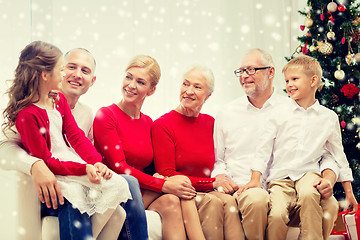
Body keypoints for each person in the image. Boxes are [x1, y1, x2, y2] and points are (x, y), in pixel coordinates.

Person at [0, 46, 149, 240]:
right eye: (68, 67)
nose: (75, 75)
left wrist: (96, 163)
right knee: (78, 195)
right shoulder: (28, 113)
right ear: (49, 75)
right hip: (56, 179)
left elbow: (78, 138)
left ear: (92, 80)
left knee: (125, 188)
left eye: (85, 70)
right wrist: (35, 165)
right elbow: (7, 147)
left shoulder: (79, 110)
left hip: (75, 170)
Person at [211, 48, 340, 240]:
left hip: (288, 188)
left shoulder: (293, 107)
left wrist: (329, 178)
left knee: (330, 205)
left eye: (251, 70)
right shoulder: (227, 113)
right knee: (257, 199)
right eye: (241, 71)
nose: (244, 76)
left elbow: (324, 152)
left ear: (271, 72)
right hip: (246, 188)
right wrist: (220, 175)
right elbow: (218, 159)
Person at [248, 55, 358, 240]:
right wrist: (255, 179)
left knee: (309, 194)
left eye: (295, 79)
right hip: (280, 178)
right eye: (287, 81)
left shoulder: (328, 118)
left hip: (309, 174)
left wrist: (349, 192)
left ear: (313, 80)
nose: (289, 85)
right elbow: (263, 149)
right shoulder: (278, 114)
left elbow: (338, 155)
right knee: (276, 215)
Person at [93, 55, 197, 240]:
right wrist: (163, 184)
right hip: (117, 189)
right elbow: (119, 167)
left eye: (140, 82)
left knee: (172, 202)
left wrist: (160, 178)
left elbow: (151, 166)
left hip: (142, 191)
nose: (131, 85)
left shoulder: (149, 123)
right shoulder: (106, 115)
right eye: (128, 77)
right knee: (171, 192)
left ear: (151, 90)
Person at [151, 65, 244, 240]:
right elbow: (166, 174)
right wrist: (211, 183)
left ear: (208, 95)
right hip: (181, 192)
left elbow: (222, 160)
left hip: (206, 188)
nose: (189, 91)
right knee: (213, 202)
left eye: (197, 87)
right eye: (186, 84)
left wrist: (227, 182)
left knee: (231, 203)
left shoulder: (211, 123)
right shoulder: (163, 125)